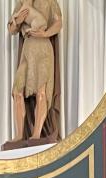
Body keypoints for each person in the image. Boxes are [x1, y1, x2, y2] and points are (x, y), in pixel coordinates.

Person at [8, 0, 62, 142]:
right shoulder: (21, 3)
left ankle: (37, 134)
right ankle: (19, 135)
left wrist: (45, 33)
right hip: (27, 50)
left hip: (43, 49)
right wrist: (17, 21)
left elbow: (58, 23)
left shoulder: (50, 2)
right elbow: (11, 30)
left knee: (41, 92)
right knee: (17, 91)